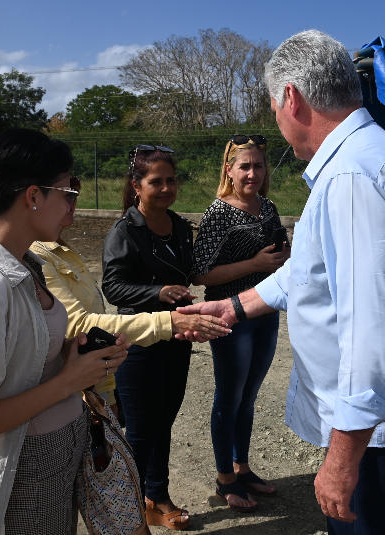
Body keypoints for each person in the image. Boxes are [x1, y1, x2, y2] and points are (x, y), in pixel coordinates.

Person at [178, 30, 385, 535]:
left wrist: (341, 457)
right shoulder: (365, 160)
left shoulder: (353, 178)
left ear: (290, 97)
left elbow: (371, 325)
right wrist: (236, 306)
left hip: (383, 428)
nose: (276, 118)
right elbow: (310, 270)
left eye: (272, 106)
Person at [0, 129, 131, 535]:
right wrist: (68, 382)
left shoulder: (24, 263)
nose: (73, 202)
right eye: (68, 190)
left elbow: (26, 357)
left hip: (54, 460)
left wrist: (73, 356)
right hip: (23, 476)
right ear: (33, 196)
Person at [30, 177, 230, 411]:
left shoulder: (63, 251)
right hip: (80, 389)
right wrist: (169, 317)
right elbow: (80, 322)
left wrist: (108, 393)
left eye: (75, 196)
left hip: (108, 374)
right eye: (66, 195)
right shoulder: (38, 256)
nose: (72, 204)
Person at [102, 144, 218, 530]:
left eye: (171, 180)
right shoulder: (125, 231)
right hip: (138, 343)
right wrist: (157, 293)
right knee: (138, 429)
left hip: (176, 338)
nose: (166, 187)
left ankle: (155, 496)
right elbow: (113, 287)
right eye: (156, 181)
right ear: (137, 185)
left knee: (164, 420)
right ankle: (130, 509)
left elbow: (191, 274)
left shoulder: (181, 226)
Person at [191, 135, 290, 512]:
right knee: (229, 398)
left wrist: (282, 258)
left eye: (258, 166)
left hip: (264, 313)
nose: (252, 173)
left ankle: (242, 468)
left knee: (248, 398)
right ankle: (224, 479)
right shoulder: (219, 213)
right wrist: (255, 265)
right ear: (228, 171)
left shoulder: (268, 207)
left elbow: (276, 256)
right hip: (230, 317)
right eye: (244, 166)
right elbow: (200, 274)